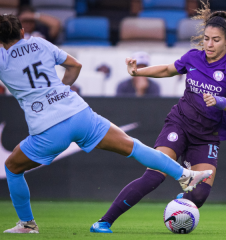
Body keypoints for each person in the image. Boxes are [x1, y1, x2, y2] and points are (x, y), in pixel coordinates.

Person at [0, 14, 212, 234]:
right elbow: (75, 65)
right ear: (22, 32)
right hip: (79, 114)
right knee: (134, 147)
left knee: (13, 168)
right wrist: (59, 92)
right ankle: (184, 175)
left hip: (48, 129)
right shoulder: (38, 42)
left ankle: (27, 224)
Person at [90, 1, 226, 233]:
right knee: (154, 176)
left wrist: (219, 101)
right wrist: (138, 71)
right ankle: (103, 222)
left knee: (200, 193)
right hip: (179, 124)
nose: (209, 44)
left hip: (206, 136)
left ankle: (178, 206)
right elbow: (167, 69)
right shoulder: (194, 57)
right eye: (206, 38)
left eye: (216, 40)